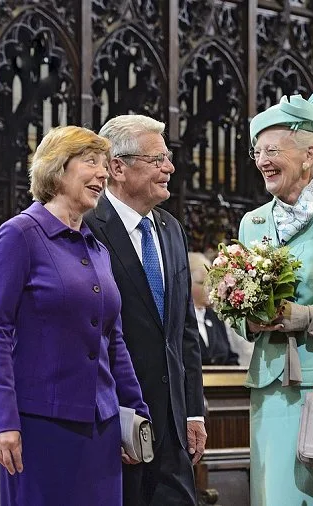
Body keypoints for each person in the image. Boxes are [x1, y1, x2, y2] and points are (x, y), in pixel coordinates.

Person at [0, 125, 149, 505]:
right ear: (57, 169)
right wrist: (3, 421)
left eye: (105, 164)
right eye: (90, 162)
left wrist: (136, 411)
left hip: (102, 428)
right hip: (40, 426)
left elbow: (114, 341)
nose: (103, 173)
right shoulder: (19, 235)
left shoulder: (98, 249)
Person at [231, 83, 313, 505]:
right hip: (269, 386)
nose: (263, 161)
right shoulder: (252, 223)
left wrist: (308, 316)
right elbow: (233, 299)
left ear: (310, 154)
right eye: (258, 152)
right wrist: (244, 317)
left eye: (273, 150)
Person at [84, 115, 206, 506]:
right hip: (114, 419)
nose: (169, 168)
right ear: (117, 167)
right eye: (157, 159)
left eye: (167, 158)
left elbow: (184, 330)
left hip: (172, 428)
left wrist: (193, 412)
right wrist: (110, 416)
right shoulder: (87, 226)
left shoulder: (170, 229)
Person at [188, 251, 239, 365]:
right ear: (186, 284)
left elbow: (229, 356)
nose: (209, 288)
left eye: (210, 283)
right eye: (202, 283)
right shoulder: (179, 321)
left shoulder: (215, 317)